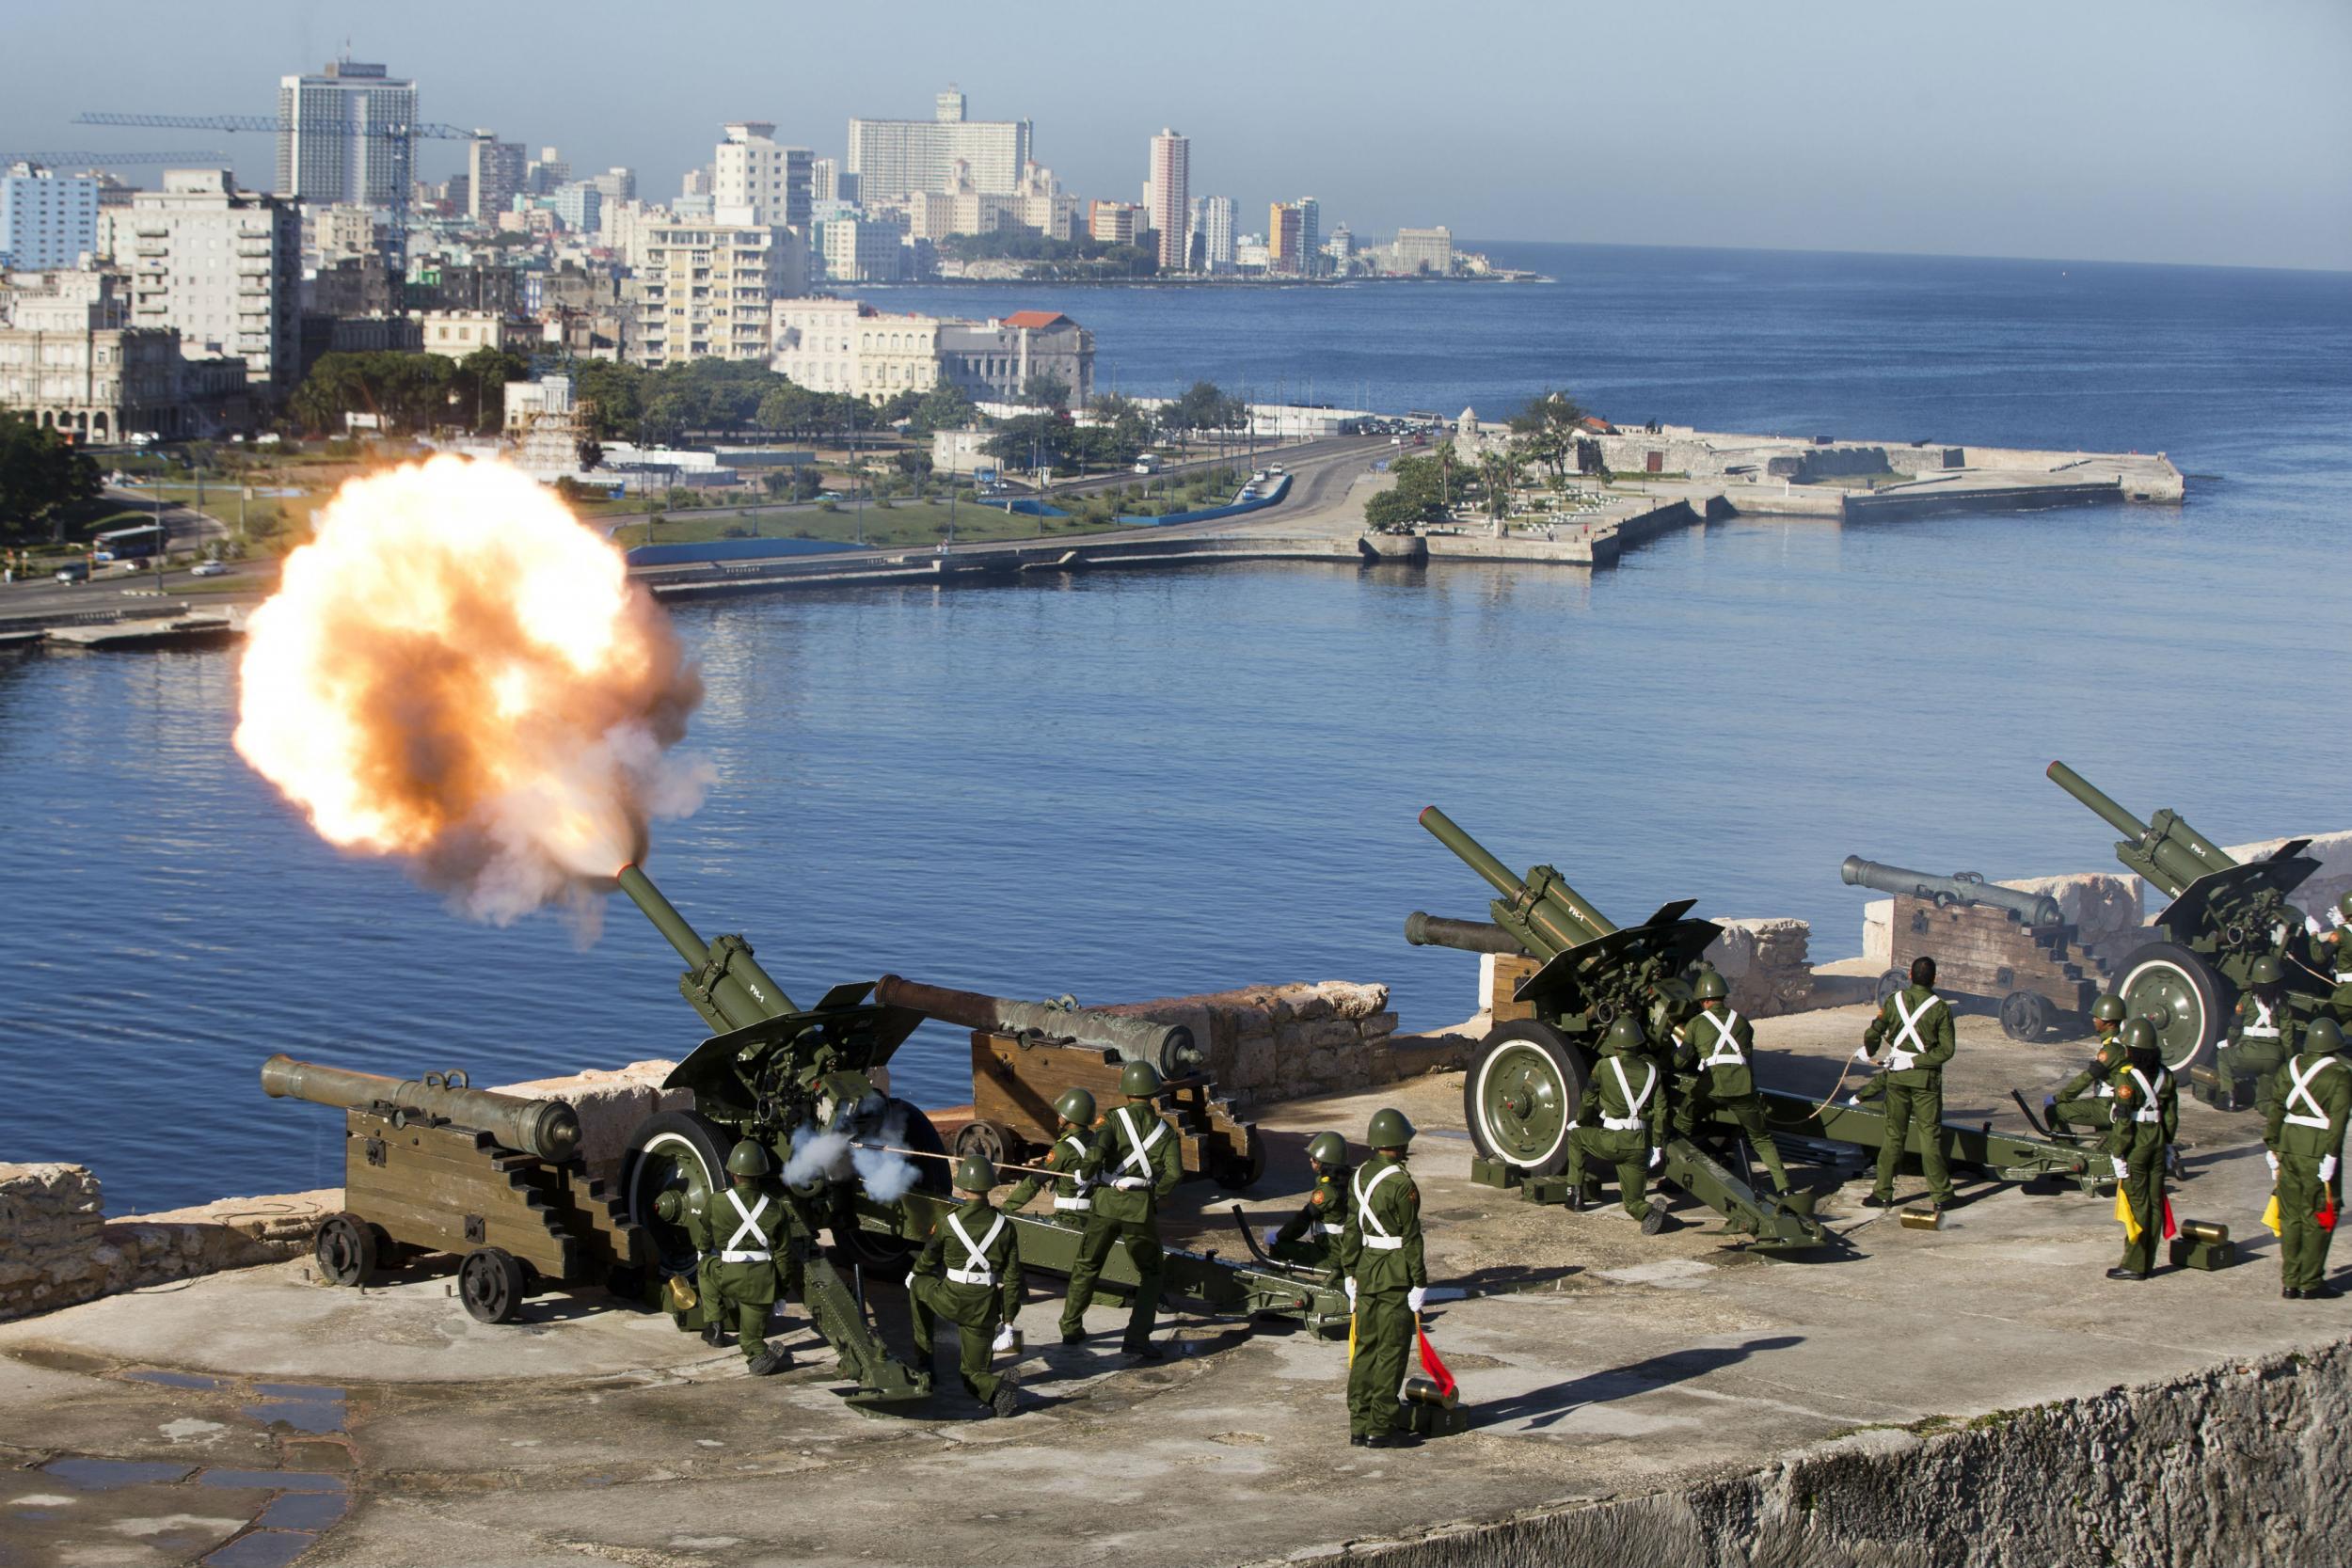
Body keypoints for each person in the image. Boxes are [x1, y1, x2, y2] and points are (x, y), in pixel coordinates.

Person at [1064, 1060, 1182, 1358]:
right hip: (1138, 1209)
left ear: (1126, 1091)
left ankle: (1071, 1326)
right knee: (1151, 1273)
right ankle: (1137, 1338)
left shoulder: (1112, 1120)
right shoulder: (1166, 1133)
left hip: (1104, 1203)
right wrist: (1153, 1196)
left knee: (1087, 1265)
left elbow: (1096, 1151)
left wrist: (1085, 1172)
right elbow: (1174, 1174)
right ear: (1154, 1093)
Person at [907, 1153, 1024, 1417]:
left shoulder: (949, 1223)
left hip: (950, 1298)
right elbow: (1013, 1278)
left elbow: (929, 1257)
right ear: (990, 1186)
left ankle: (925, 1361)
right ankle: (995, 1387)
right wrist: (1008, 1322)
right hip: (983, 1308)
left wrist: (916, 1273)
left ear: (961, 1186)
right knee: (973, 1373)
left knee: (918, 1285)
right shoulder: (1006, 1228)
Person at [1341, 1107, 1428, 1449]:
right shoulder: (1402, 1184)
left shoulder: (1359, 1176)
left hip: (1365, 1270)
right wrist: (1419, 1282)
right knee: (1391, 1352)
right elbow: (1411, 1238)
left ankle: (1358, 1423)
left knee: (1364, 1349)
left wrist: (1349, 1271)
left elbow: (1351, 1228)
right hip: (1394, 1275)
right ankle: (1380, 1426)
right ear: (1399, 1143)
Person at [1675, 968, 1793, 1194]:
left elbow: (1680, 1062)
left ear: (1704, 1000)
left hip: (1710, 1088)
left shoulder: (1696, 1024)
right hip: (1742, 1088)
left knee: (1682, 1124)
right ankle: (1784, 1187)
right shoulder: (1742, 1023)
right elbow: (1747, 1060)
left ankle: (1677, 1177)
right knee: (1761, 1138)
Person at [1857, 955, 1958, 1212]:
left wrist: (1868, 1051)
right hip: (1925, 1079)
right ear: (1934, 979)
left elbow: (1873, 1032)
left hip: (1897, 1078)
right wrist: (1916, 1062)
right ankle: (1941, 1195)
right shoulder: (1940, 1008)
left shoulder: (1894, 1000)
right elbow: (1946, 1051)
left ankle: (1882, 1193)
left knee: (1893, 1135)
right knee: (1929, 1137)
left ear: (1910, 977)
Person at [2265, 1015, 2350, 1300]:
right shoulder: (2339, 1075)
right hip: (2318, 1152)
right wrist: (2332, 1156)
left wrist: (2272, 1146)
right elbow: (2338, 1121)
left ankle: (2290, 1280)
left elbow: (2275, 1108)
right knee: (2322, 1215)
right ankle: (2310, 1282)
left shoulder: (2290, 1069)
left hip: (2288, 1147)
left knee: (2290, 1216)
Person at [697, 1139, 793, 1376]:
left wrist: (703, 1251)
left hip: (727, 1274)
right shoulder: (776, 1208)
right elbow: (783, 1255)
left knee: (704, 1266)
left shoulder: (717, 1201)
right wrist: (779, 1291)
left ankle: (715, 1326)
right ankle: (757, 1354)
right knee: (750, 1338)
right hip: (761, 1283)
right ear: (761, 1173)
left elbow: (706, 1237)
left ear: (732, 1173)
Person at [1566, 1014, 1666, 1227]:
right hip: (1639, 1144)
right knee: (1632, 1203)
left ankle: (1575, 1197)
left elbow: (1589, 1098)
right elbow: (1661, 1112)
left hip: (1611, 1140)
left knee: (1576, 1137)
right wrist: (1657, 1145)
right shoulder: (1653, 1072)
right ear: (1638, 1043)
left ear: (1615, 1044)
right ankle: (1646, 1212)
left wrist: (1581, 1121)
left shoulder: (1604, 1066)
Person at [2105, 1020, 2179, 1281]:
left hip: (2136, 1144)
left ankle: (2135, 1265)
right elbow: (2170, 1116)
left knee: (2137, 1204)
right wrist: (2168, 1143)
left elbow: (2123, 1121)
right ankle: (2148, 1261)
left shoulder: (2126, 1078)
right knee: (2155, 1202)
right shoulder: (2165, 1075)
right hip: (2158, 1140)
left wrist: (2117, 1152)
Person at [1002, 1087, 1098, 1226]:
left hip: (1068, 1216)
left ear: (1067, 1118)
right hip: (1091, 1214)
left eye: (1060, 1113)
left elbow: (1035, 1182)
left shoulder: (1064, 1148)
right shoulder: (1096, 1141)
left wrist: (1006, 1208)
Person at [2217, 956, 2300, 1111]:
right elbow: (2287, 1039)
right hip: (2273, 1059)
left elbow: (2235, 1027)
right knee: (2263, 1102)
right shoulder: (2283, 1004)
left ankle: (2229, 1098)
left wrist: (2230, 1042)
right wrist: (2287, 1062)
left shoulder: (2247, 999)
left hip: (2248, 1054)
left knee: (2223, 1056)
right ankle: (2281, 1116)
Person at [1266, 1132, 1353, 1270]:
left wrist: (1279, 1236)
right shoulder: (1350, 1180)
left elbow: (1303, 1221)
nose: (1310, 1160)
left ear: (1325, 1163)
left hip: (1331, 1255)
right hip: (1348, 1250)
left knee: (1279, 1247)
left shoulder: (1326, 1191)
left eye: (1314, 1158)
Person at [2047, 993, 2131, 1133]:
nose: (2093, 1020)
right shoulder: (2120, 1042)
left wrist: (2060, 1097)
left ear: (2108, 1022)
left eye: (2097, 1017)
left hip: (2107, 1106)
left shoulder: (2111, 1049)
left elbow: (2087, 1078)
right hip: (2113, 1105)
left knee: (2054, 1111)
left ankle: (2064, 1149)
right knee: (2103, 1152)